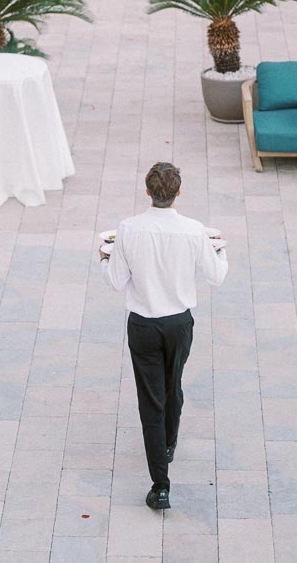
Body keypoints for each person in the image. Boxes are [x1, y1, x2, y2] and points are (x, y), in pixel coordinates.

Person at [102, 162, 228, 512]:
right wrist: (219, 248)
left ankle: (160, 486)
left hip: (143, 324)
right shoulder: (193, 230)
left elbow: (115, 280)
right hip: (179, 324)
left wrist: (103, 258)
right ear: (177, 192)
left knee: (151, 400)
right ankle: (169, 443)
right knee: (174, 385)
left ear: (148, 192)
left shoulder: (128, 229)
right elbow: (216, 276)